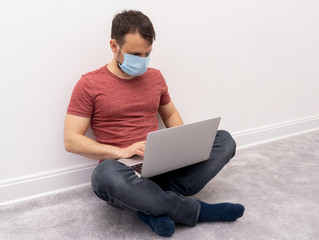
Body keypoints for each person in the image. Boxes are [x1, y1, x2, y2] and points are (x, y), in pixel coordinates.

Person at [64, 10, 245, 237]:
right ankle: (196, 211)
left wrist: (181, 146)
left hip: (162, 164)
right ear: (113, 46)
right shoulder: (89, 84)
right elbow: (72, 140)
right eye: (135, 54)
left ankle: (153, 207)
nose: (142, 60)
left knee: (224, 140)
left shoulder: (156, 77)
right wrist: (123, 151)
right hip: (123, 171)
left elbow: (170, 116)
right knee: (103, 175)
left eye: (147, 54)